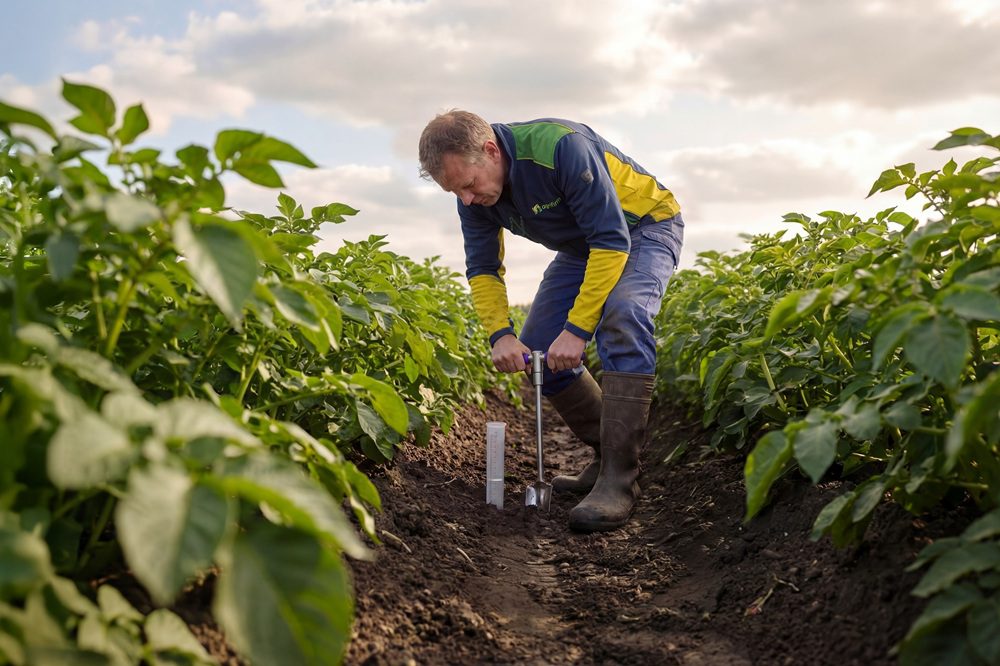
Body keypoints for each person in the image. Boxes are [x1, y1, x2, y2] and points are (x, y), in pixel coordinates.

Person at [418, 111, 683, 532]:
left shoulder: (560, 148)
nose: (466, 199)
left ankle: (622, 479)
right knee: (538, 349)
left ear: (490, 150)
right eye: (455, 191)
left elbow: (612, 240)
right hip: (584, 247)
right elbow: (483, 267)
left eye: (467, 185)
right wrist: (500, 334)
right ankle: (606, 456)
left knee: (623, 317)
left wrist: (577, 331)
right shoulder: (472, 197)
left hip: (643, 228)